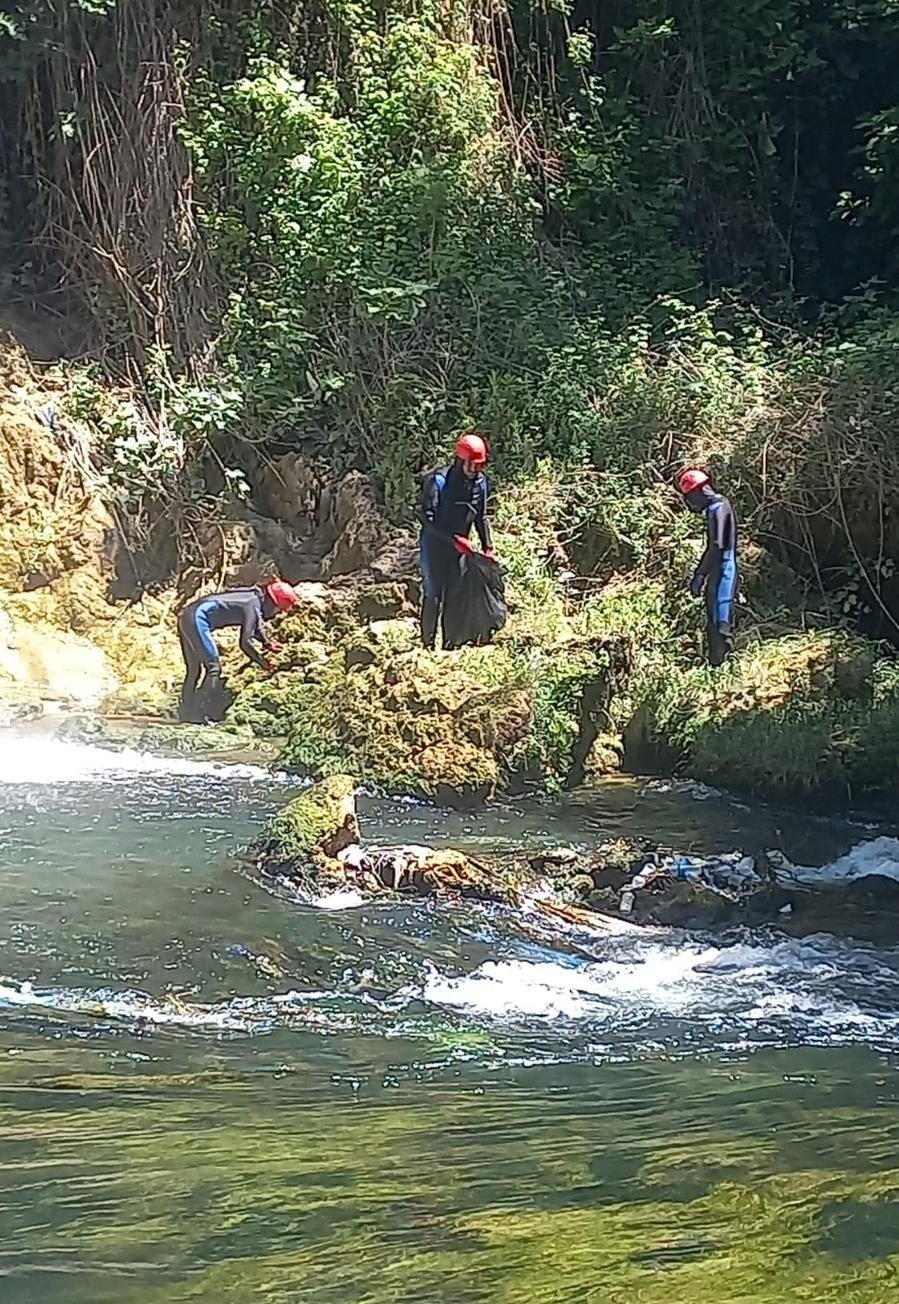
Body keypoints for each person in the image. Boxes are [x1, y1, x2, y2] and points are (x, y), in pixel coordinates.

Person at [177, 578, 298, 723]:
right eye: (279, 610)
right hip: (198, 618)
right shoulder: (252, 605)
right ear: (273, 603)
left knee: (194, 670)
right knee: (213, 668)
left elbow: (256, 625)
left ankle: (185, 712)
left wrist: (267, 644)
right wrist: (263, 663)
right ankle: (199, 714)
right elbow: (245, 643)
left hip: (187, 615)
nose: (277, 614)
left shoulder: (254, 598)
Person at [419, 431, 495, 649]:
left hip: (459, 550)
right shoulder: (439, 482)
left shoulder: (480, 485)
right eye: (471, 466)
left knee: (454, 596)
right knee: (433, 595)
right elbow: (427, 519)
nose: (475, 471)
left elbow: (480, 516)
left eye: (479, 466)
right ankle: (427, 645)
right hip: (434, 546)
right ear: (460, 461)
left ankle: (450, 645)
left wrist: (487, 546)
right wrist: (453, 540)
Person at [677, 469, 739, 667]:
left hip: (724, 571)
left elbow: (717, 546)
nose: (690, 504)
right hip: (719, 570)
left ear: (697, 493)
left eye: (689, 499)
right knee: (713, 623)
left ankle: (725, 669)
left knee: (720, 625)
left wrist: (699, 574)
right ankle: (717, 668)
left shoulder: (718, 508)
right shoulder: (719, 506)